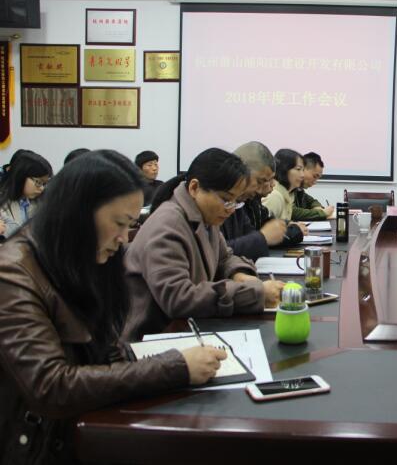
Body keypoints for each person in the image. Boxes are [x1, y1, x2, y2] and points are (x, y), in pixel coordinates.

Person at [0, 150, 225, 464]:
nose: (123, 238)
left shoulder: (80, 255)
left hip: (84, 428)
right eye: (119, 223)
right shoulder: (13, 274)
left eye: (130, 224)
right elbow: (51, 386)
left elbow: (105, 347)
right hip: (40, 445)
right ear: (78, 213)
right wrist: (174, 367)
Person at [122, 148, 284, 341]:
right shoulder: (168, 225)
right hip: (154, 338)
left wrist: (240, 275)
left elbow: (225, 257)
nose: (231, 209)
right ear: (194, 188)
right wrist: (253, 294)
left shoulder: (205, 216)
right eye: (226, 200)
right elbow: (179, 298)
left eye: (235, 201)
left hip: (189, 328)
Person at [221, 141, 300, 260]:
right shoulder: (219, 200)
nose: (271, 185)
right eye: (260, 181)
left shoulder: (242, 202)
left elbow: (250, 235)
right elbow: (217, 252)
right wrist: (263, 237)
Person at [0, 152, 52, 239]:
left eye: (44, 184)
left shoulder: (40, 203)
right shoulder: (2, 200)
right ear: (21, 176)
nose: (42, 188)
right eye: (38, 182)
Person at [262, 148, 305, 223]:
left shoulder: (287, 195)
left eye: (303, 170)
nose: (302, 175)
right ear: (284, 169)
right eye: (298, 169)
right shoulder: (274, 196)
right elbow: (264, 228)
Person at [292, 152, 334, 221]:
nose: (315, 182)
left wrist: (318, 208)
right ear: (303, 169)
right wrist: (322, 213)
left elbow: (312, 201)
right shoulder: (287, 187)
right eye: (314, 176)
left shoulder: (299, 190)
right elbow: (292, 212)